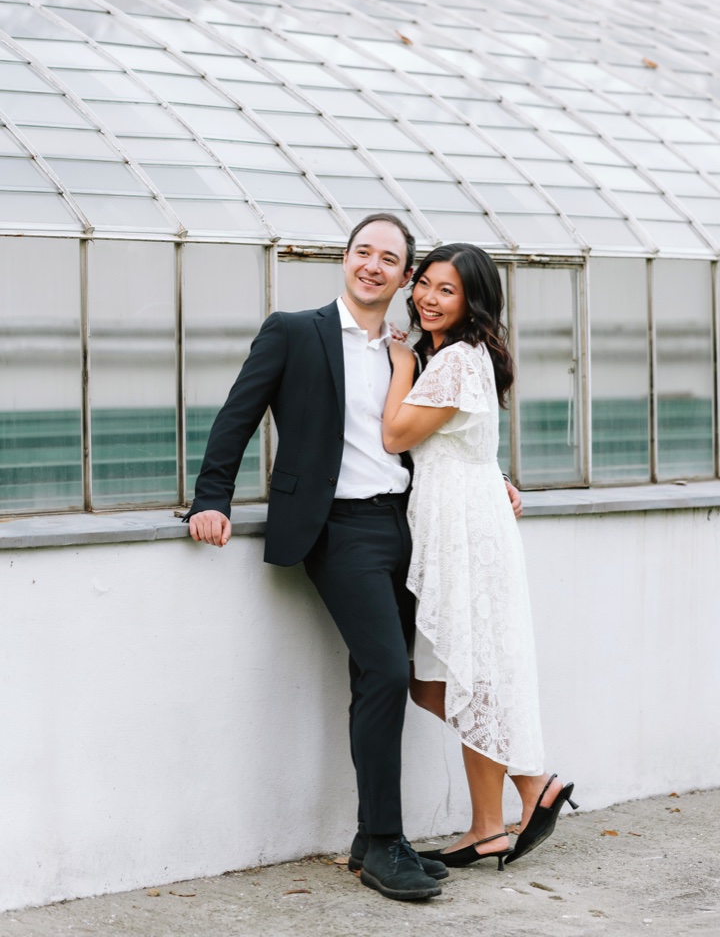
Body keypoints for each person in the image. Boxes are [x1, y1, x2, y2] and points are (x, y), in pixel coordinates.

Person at [185, 214, 521, 903]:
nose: (373, 265)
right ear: (346, 260)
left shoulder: (413, 351)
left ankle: (372, 840)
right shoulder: (293, 331)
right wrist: (210, 499)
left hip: (407, 527)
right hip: (337, 530)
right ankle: (386, 843)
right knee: (387, 670)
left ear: (405, 277)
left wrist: (497, 477)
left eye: (389, 258)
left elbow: (442, 434)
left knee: (382, 677)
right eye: (363, 251)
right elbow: (237, 414)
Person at [382, 243, 577, 871]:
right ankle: (494, 820)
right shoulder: (458, 355)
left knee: (458, 675)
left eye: (448, 291)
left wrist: (399, 364)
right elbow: (469, 445)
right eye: (424, 284)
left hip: (462, 528)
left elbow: (394, 434)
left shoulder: (454, 360)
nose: (428, 298)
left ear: (472, 302)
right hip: (462, 514)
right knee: (455, 676)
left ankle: (528, 787)